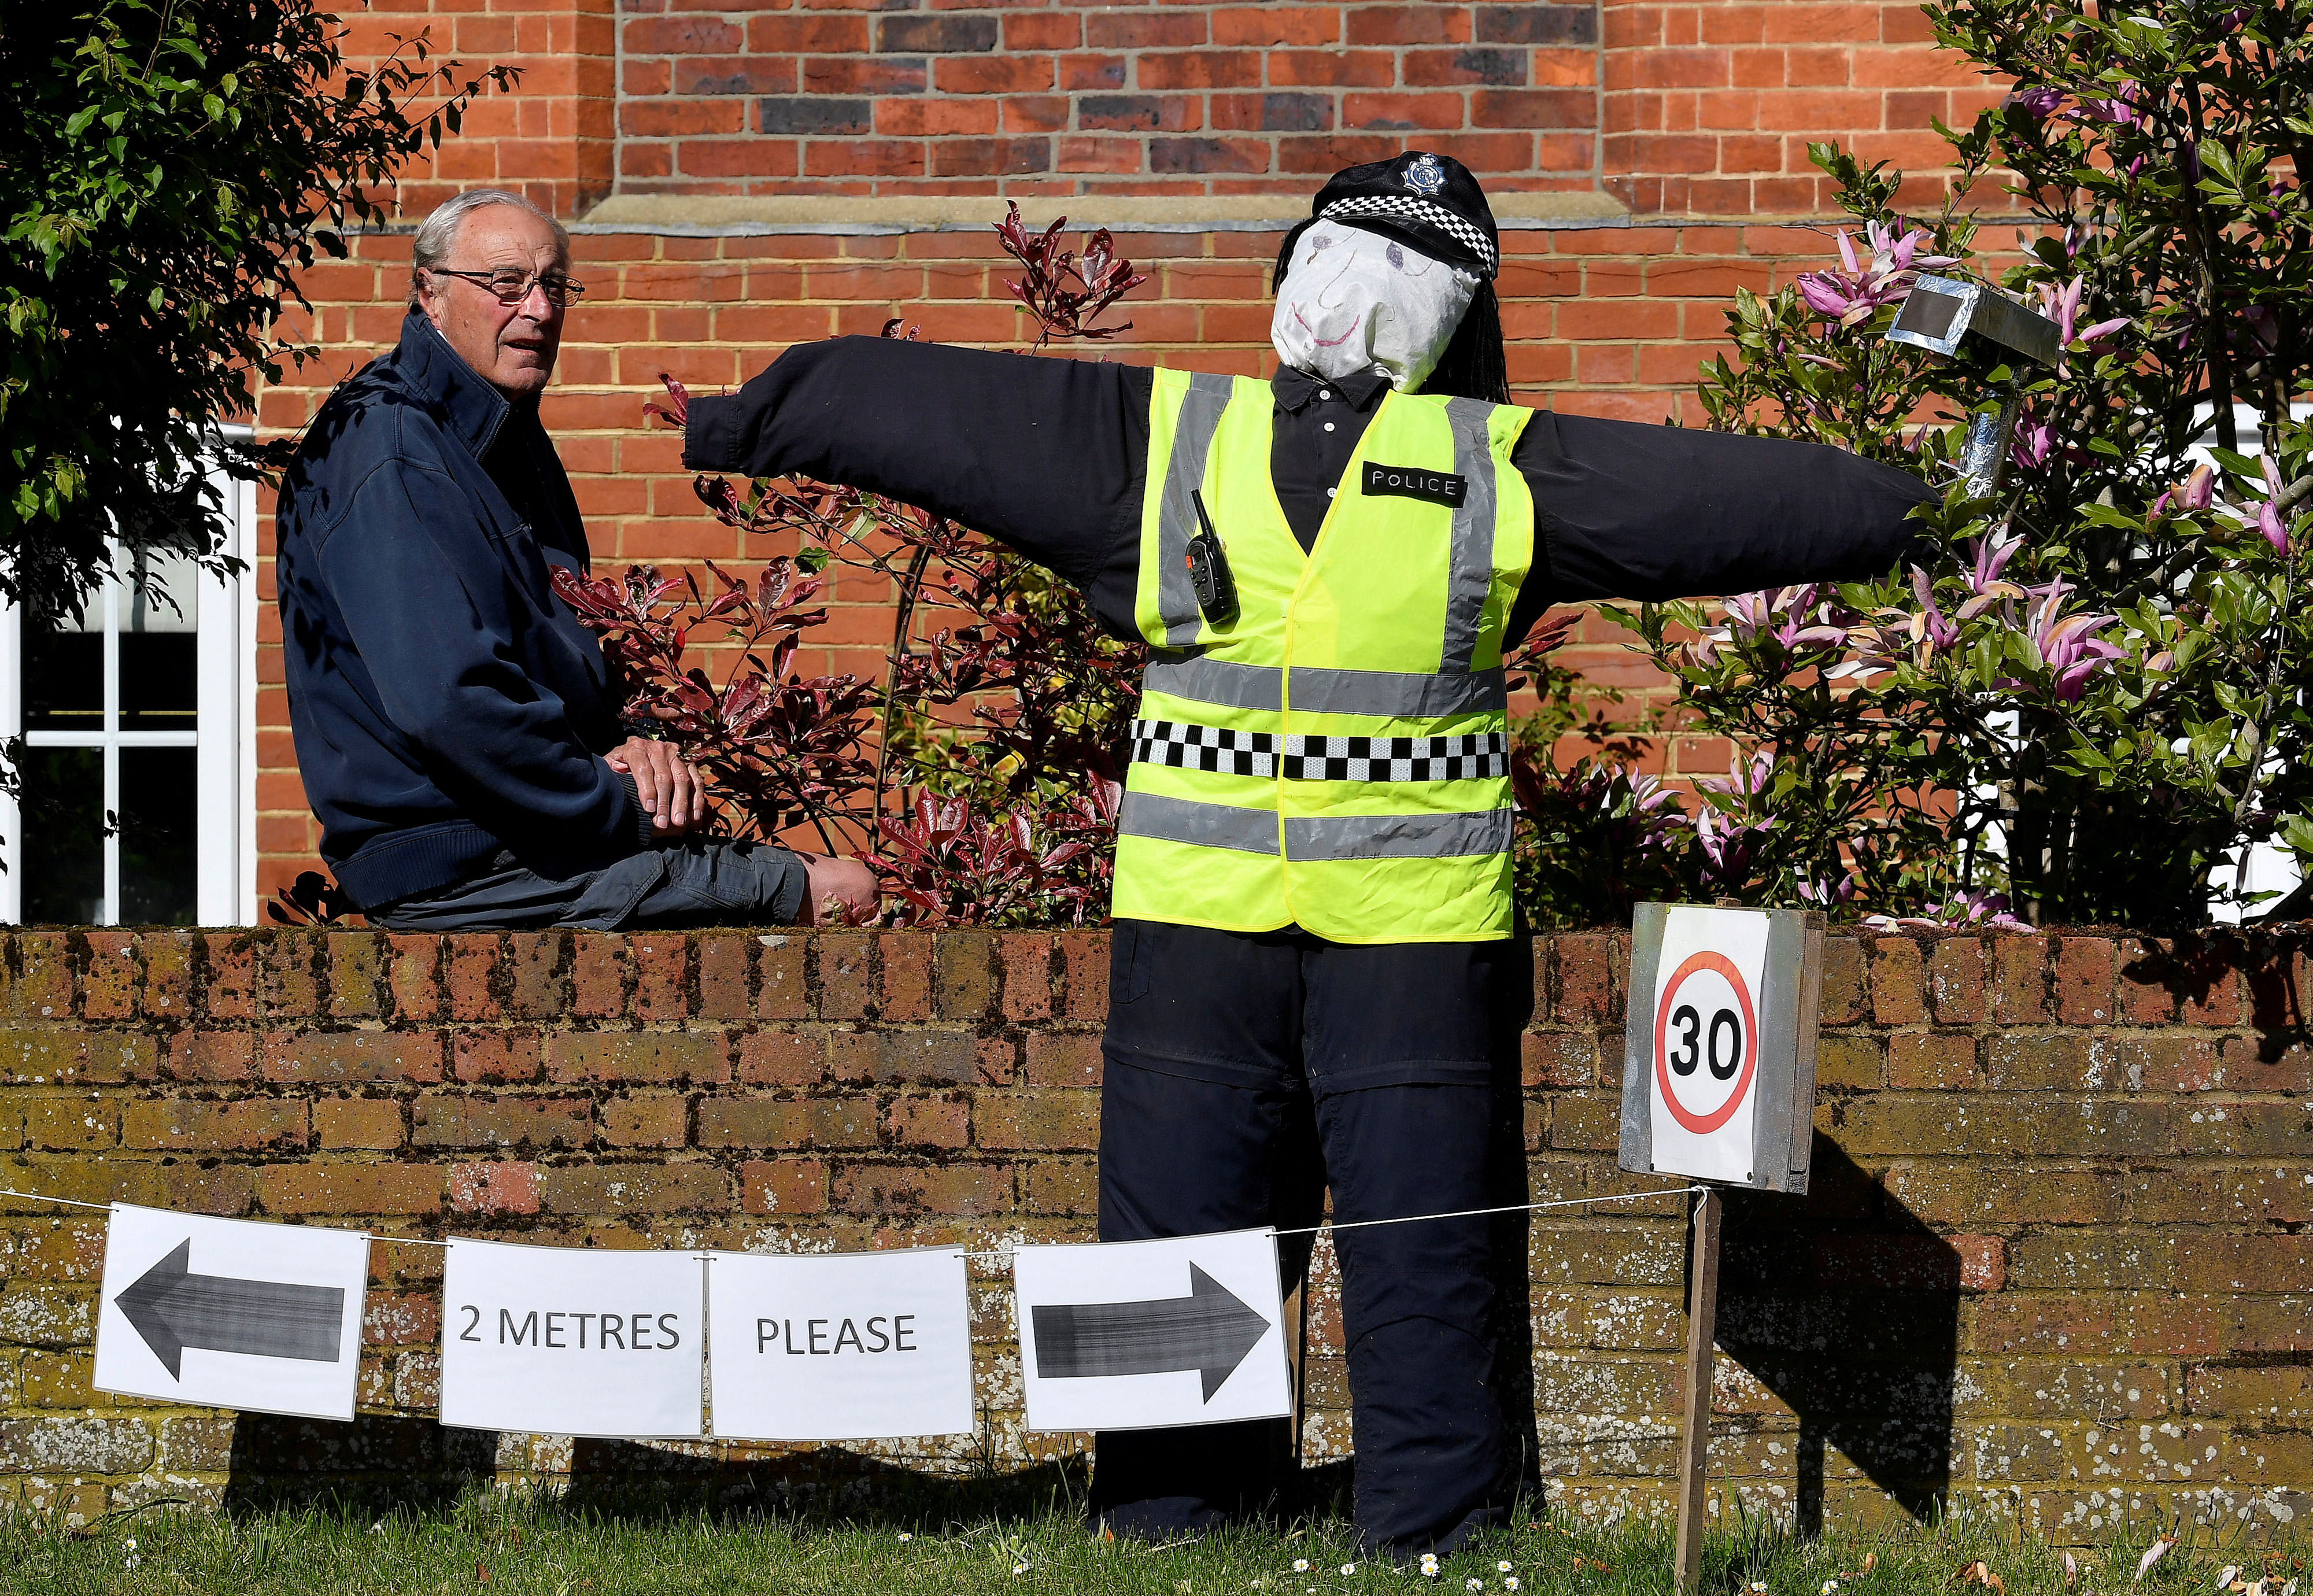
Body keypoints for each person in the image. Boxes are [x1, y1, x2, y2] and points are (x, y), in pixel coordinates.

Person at [681, 153, 1935, 1558]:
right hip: (1312, 925)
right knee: (1310, 1232)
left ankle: (1301, 1521)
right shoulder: (1389, 458)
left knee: (1314, 1228)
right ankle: (1286, 1519)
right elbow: (1723, 497)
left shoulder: (1244, 445)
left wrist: (750, 418)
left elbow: (931, 410)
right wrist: (1914, 510)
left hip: (1321, 927)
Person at [275, 189, 875, 931]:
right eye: (504, 283)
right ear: (427, 292)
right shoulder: (390, 448)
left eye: (554, 286)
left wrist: (630, 756)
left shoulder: (505, 436)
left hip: (539, 837)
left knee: (836, 882)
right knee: (840, 894)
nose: (538, 309)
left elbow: (557, 663)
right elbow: (452, 702)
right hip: (469, 865)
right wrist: (614, 801)